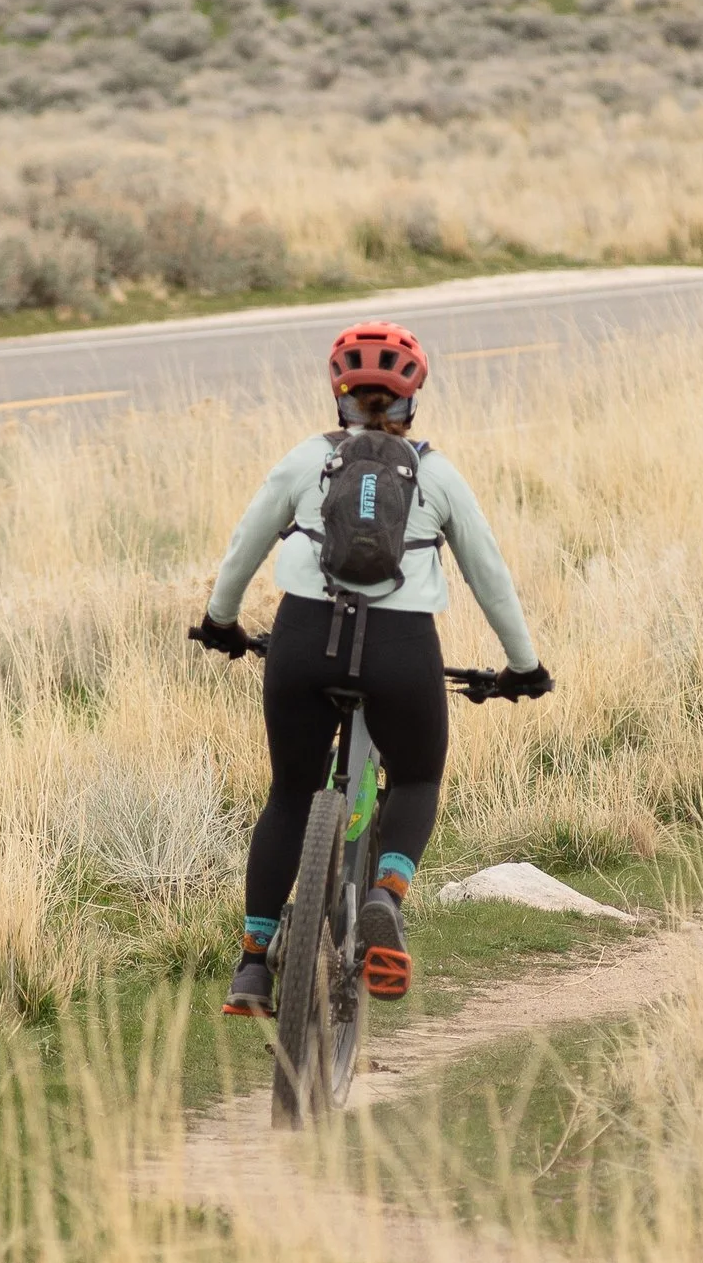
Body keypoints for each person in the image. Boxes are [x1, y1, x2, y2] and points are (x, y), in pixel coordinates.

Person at [194, 320, 552, 1019]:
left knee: (291, 794)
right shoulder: (435, 472)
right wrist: (523, 666)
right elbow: (490, 576)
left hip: (300, 641)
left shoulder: (306, 459)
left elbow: (244, 544)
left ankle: (251, 963)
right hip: (400, 650)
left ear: (340, 394)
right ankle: (386, 893)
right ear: (413, 398)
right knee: (417, 775)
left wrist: (220, 620)